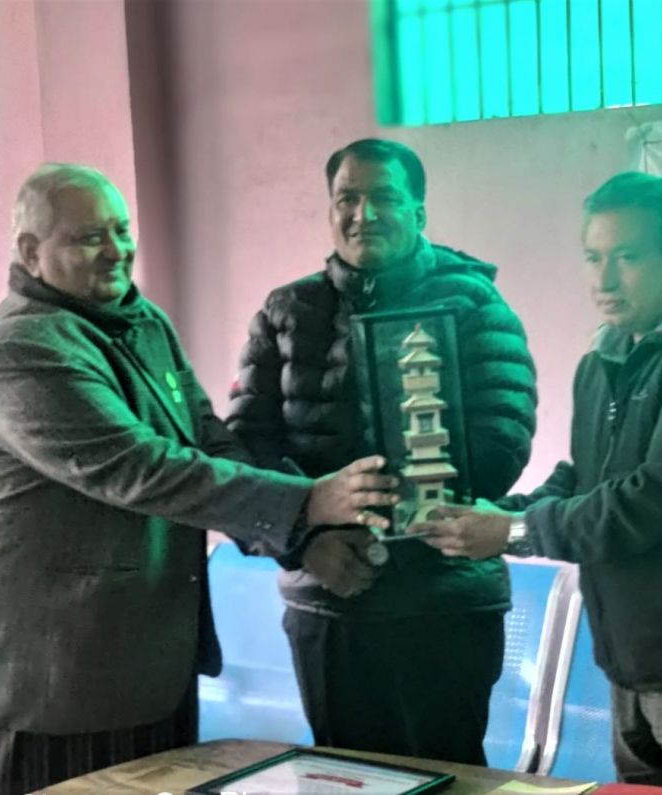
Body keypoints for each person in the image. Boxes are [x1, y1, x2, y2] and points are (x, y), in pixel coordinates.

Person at [0, 163, 391, 794]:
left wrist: (301, 538)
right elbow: (142, 469)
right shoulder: (25, 350)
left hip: (153, 666)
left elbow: (208, 440)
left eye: (120, 230)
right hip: (63, 683)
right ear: (32, 252)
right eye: (89, 237)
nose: (115, 250)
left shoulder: (142, 322)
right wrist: (312, 499)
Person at [417, 172, 662, 795]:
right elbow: (587, 477)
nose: (603, 281)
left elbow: (650, 501)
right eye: (593, 257)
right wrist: (497, 513)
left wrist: (514, 531)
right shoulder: (606, 354)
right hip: (635, 663)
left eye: (627, 258)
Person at [227, 138, 537, 764]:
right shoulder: (287, 312)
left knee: (447, 775)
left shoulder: (473, 303)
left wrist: (405, 508)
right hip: (326, 598)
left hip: (442, 600)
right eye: (348, 198)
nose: (363, 214)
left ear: (418, 212)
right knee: (344, 775)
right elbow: (244, 454)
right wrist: (308, 541)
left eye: (384, 198)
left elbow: (503, 440)